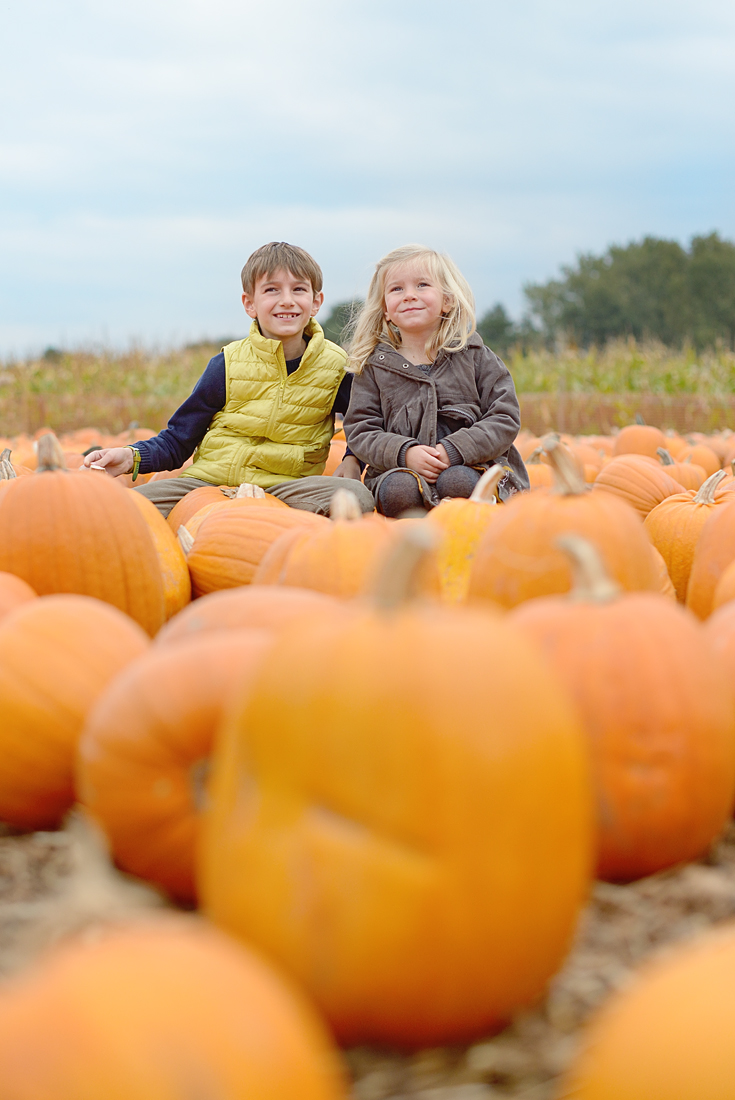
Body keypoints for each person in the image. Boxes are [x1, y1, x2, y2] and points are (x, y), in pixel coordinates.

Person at [83, 242, 372, 517]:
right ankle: (228, 523)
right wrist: (130, 456)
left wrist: (351, 457)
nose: (287, 300)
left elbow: (364, 423)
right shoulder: (227, 363)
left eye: (298, 289)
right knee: (118, 511)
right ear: (250, 304)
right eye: (272, 290)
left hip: (284, 488)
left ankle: (269, 525)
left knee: (354, 495)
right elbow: (179, 440)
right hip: (210, 485)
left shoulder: (337, 367)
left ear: (315, 301)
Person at [342, 244, 529, 516]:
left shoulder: (475, 357)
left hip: (477, 467)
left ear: (448, 300)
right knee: (398, 489)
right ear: (384, 308)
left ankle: (478, 524)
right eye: (396, 289)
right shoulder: (374, 368)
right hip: (399, 471)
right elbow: (361, 429)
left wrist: (454, 450)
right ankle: (411, 544)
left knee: (458, 481)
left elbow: (504, 417)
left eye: (421, 285)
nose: (409, 296)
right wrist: (404, 453)